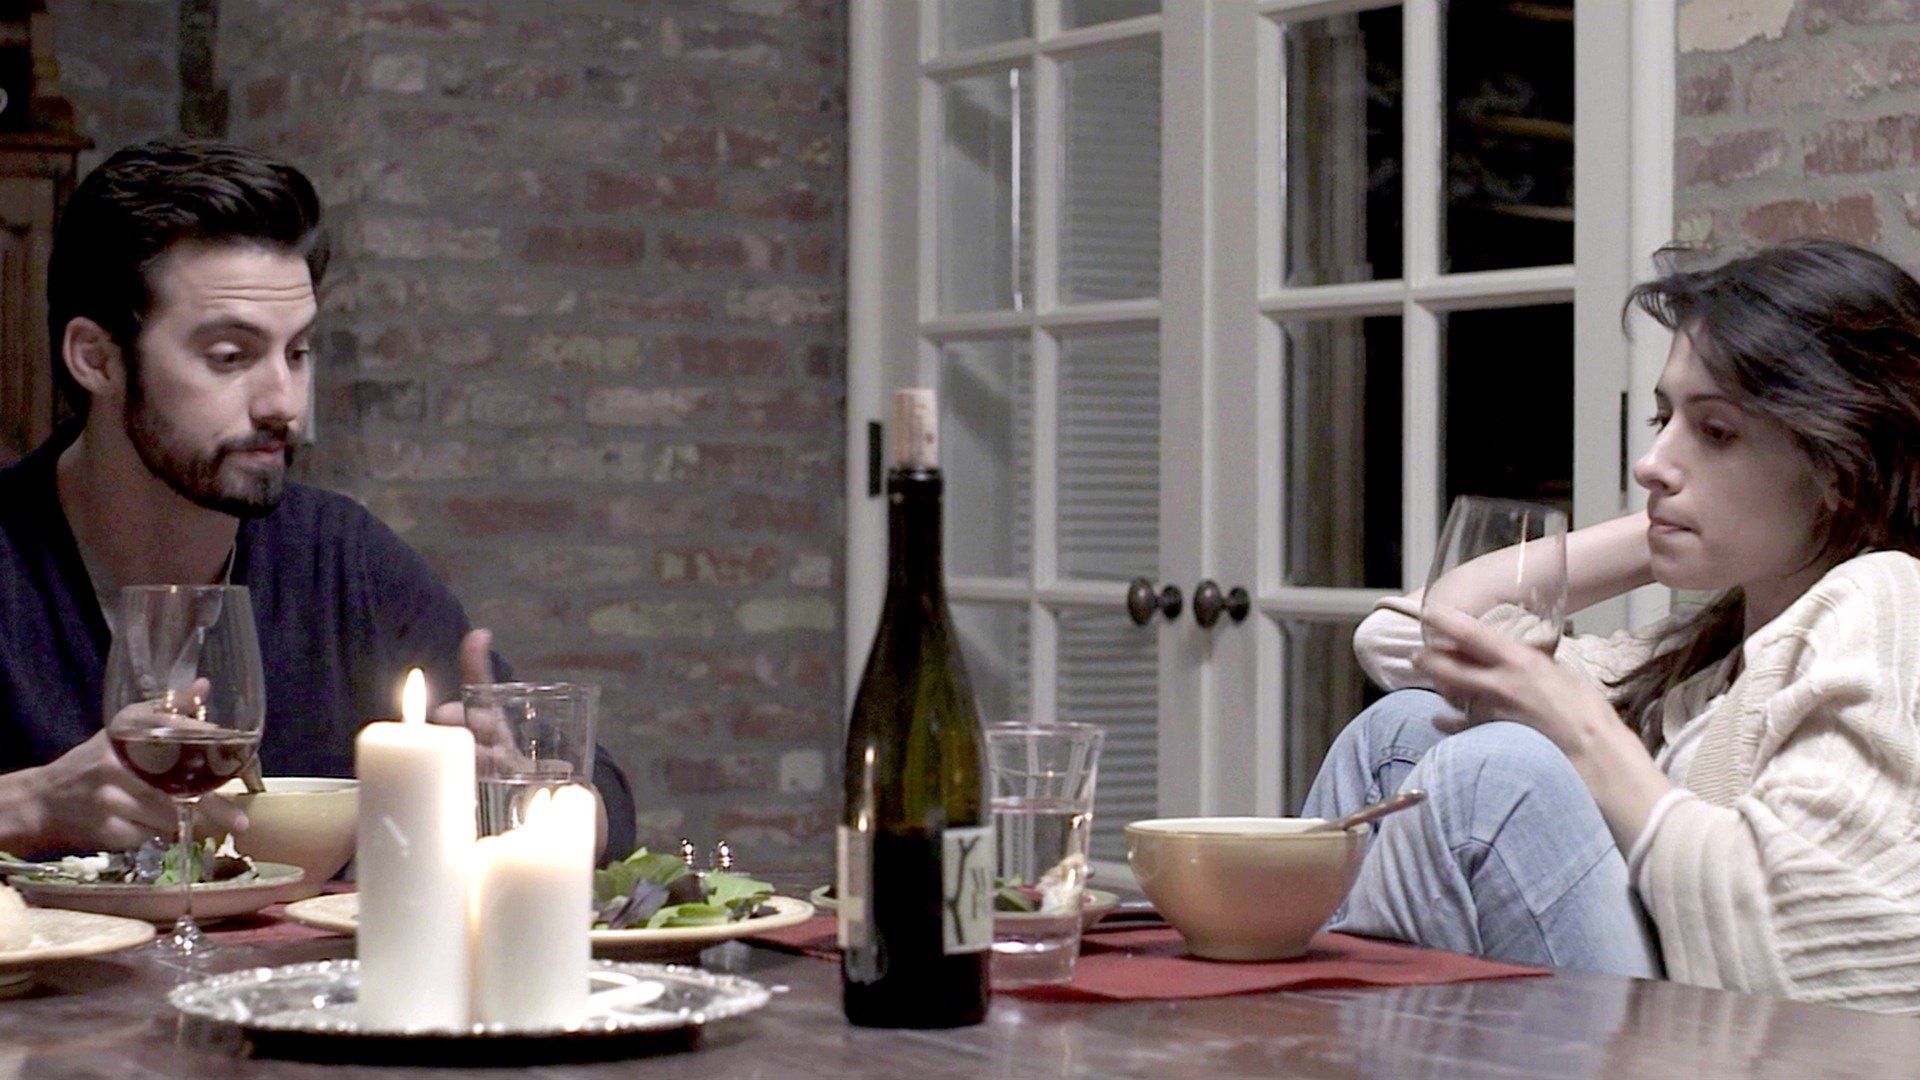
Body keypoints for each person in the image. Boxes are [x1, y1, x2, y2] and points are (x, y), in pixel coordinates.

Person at [1304, 239, 1920, 1012]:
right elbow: (1411, 640)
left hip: (1754, 1039)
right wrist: (1660, 532)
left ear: (1840, 465)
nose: (1650, 462)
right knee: (1397, 729)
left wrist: (1579, 730)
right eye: (1664, 418)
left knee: (1492, 773)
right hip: (1668, 1011)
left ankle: (1313, 1029)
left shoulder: (1886, 599)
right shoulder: (1713, 658)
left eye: (1715, 431)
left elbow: (1803, 956)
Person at [0, 138, 636, 860]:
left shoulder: (340, 561)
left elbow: (604, 799)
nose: (284, 403)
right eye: (230, 357)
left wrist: (529, 797)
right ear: (97, 359)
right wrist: (28, 806)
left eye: (298, 352)